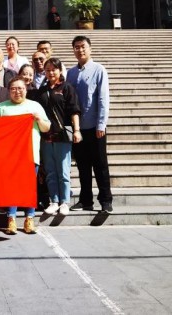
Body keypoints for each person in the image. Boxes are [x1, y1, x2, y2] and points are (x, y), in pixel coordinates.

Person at [0, 77, 51, 235]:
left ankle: (29, 218)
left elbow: (46, 128)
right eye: (13, 89)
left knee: (30, 187)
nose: (17, 92)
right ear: (8, 91)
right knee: (12, 187)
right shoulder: (2, 108)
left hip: (30, 153)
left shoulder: (35, 106)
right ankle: (11, 218)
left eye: (20, 88)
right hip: (9, 154)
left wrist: (38, 119)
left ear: (26, 90)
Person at [66, 36, 113, 213]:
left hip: (95, 126)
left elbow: (103, 99)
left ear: (90, 48)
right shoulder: (70, 73)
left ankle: (106, 200)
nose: (80, 50)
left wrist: (101, 124)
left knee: (100, 165)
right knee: (82, 166)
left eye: (83, 46)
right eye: (76, 47)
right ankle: (85, 200)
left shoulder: (99, 70)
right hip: (78, 128)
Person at [36, 58, 81, 216]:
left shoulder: (67, 87)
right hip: (46, 135)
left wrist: (76, 130)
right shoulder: (42, 90)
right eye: (47, 70)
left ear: (60, 70)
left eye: (54, 69)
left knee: (63, 170)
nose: (50, 72)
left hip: (64, 133)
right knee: (50, 170)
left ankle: (65, 202)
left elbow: (74, 110)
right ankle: (54, 201)